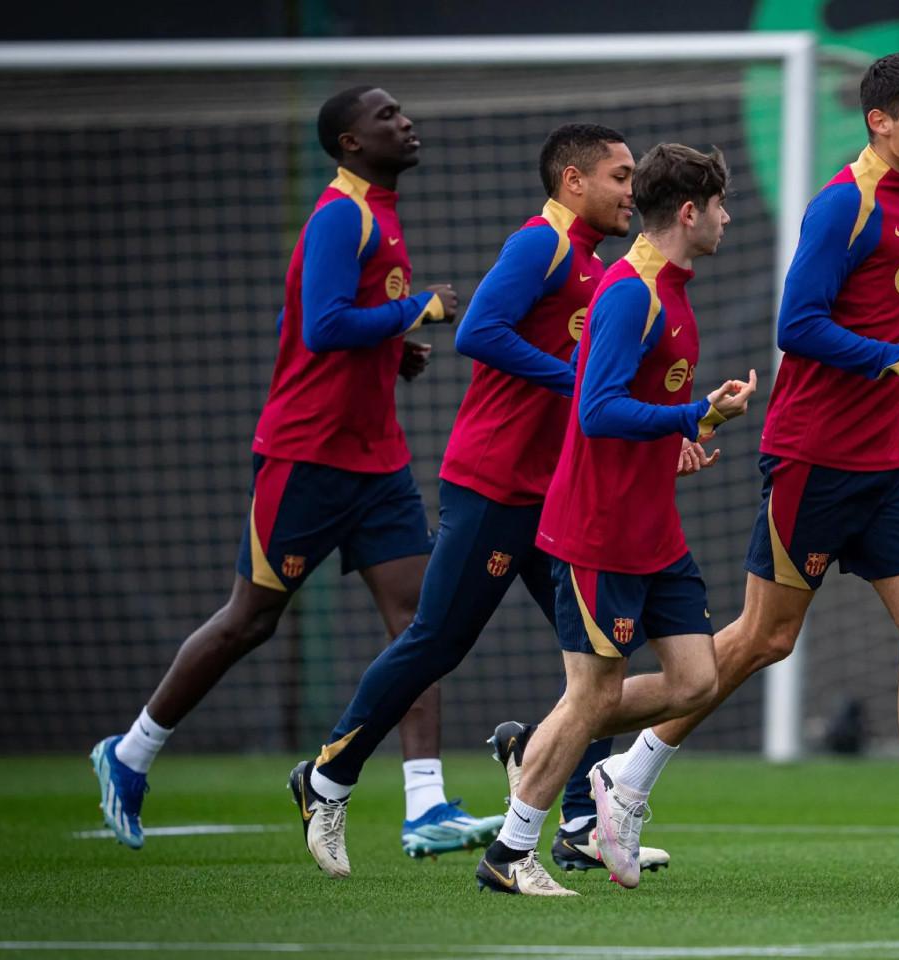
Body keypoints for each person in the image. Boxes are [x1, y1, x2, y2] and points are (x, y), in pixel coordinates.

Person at [571, 53, 899, 894]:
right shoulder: (843, 206)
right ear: (880, 122)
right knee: (763, 640)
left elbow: (878, 325)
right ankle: (627, 773)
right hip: (815, 458)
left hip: (890, 461)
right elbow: (799, 326)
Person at [287, 124, 675, 876]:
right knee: (439, 639)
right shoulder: (541, 246)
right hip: (495, 485)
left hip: (553, 492)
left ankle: (576, 816)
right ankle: (327, 777)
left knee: (603, 658)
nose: (632, 192)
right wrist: (579, 381)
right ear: (572, 181)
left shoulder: (598, 267)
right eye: (620, 176)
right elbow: (480, 332)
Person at [91, 86, 459, 851]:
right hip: (308, 456)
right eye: (386, 115)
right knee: (249, 621)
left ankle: (427, 806)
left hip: (376, 457)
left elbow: (335, 324)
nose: (405, 121)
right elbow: (324, 328)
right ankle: (129, 754)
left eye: (402, 111)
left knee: (422, 626)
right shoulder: (340, 214)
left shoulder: (381, 212)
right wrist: (415, 312)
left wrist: (396, 352)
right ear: (350, 143)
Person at [476, 143, 754, 896]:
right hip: (597, 530)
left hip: (651, 527)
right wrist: (696, 411)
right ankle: (509, 853)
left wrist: (680, 435)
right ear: (691, 213)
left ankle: (543, 749)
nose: (730, 219)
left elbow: (636, 408)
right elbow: (595, 411)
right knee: (594, 695)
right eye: (722, 206)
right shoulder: (632, 289)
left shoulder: (674, 286)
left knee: (696, 680)